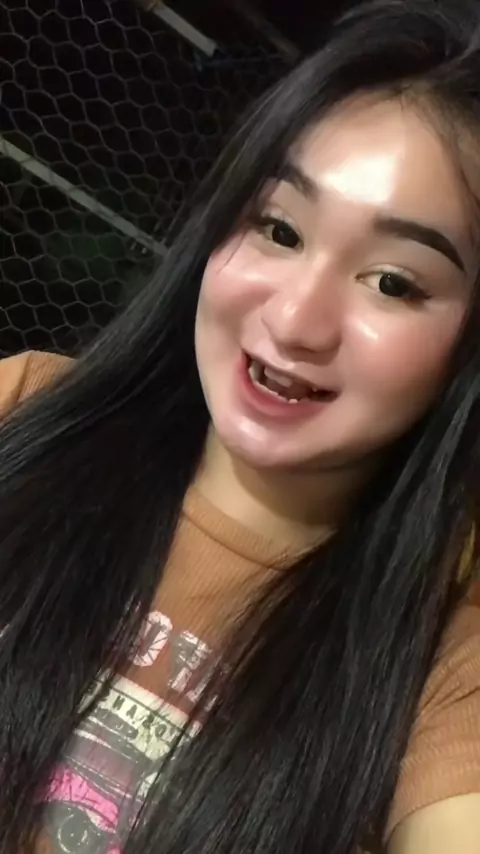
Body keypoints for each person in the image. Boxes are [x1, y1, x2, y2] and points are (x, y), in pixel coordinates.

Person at [0, 0, 479, 852]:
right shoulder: (26, 410)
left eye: (394, 283)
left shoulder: (447, 647)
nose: (295, 321)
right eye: (279, 228)